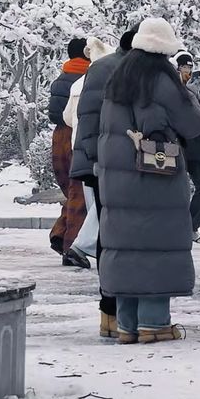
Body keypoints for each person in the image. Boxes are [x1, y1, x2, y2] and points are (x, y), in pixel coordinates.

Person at [98, 18, 200, 344]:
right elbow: (193, 123)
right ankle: (155, 323)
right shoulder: (162, 79)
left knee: (129, 248)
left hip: (117, 180)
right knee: (155, 244)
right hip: (155, 175)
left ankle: (128, 326)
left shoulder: (118, 78)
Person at [69, 26, 138, 339]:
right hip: (102, 164)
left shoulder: (119, 68)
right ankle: (110, 310)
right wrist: (102, 159)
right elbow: (88, 120)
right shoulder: (107, 69)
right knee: (109, 233)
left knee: (110, 232)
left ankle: (111, 312)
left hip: (107, 161)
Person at [62, 37, 116, 269]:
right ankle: (82, 247)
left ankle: (86, 247)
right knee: (102, 204)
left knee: (93, 202)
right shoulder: (106, 81)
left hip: (78, 146)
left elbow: (66, 118)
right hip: (95, 149)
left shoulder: (77, 85)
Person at [48, 38, 90, 259]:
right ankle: (71, 245)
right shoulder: (87, 78)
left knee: (73, 191)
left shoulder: (60, 79)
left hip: (59, 136)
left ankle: (59, 234)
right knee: (80, 192)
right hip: (77, 136)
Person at [174, 51, 200, 245]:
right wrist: (187, 94)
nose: (188, 72)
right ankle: (178, 229)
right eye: (184, 67)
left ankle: (191, 227)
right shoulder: (171, 89)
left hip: (197, 147)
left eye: (190, 68)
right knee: (177, 192)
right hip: (178, 148)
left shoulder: (194, 91)